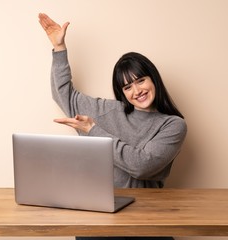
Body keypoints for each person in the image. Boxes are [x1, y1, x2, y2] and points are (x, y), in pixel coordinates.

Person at [38, 13, 187, 240]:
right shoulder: (110, 111)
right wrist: (59, 49)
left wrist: (94, 131)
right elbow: (65, 96)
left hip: (146, 220)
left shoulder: (172, 125)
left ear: (153, 79)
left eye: (140, 80)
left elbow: (141, 166)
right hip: (99, 215)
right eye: (127, 87)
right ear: (122, 93)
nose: (136, 91)